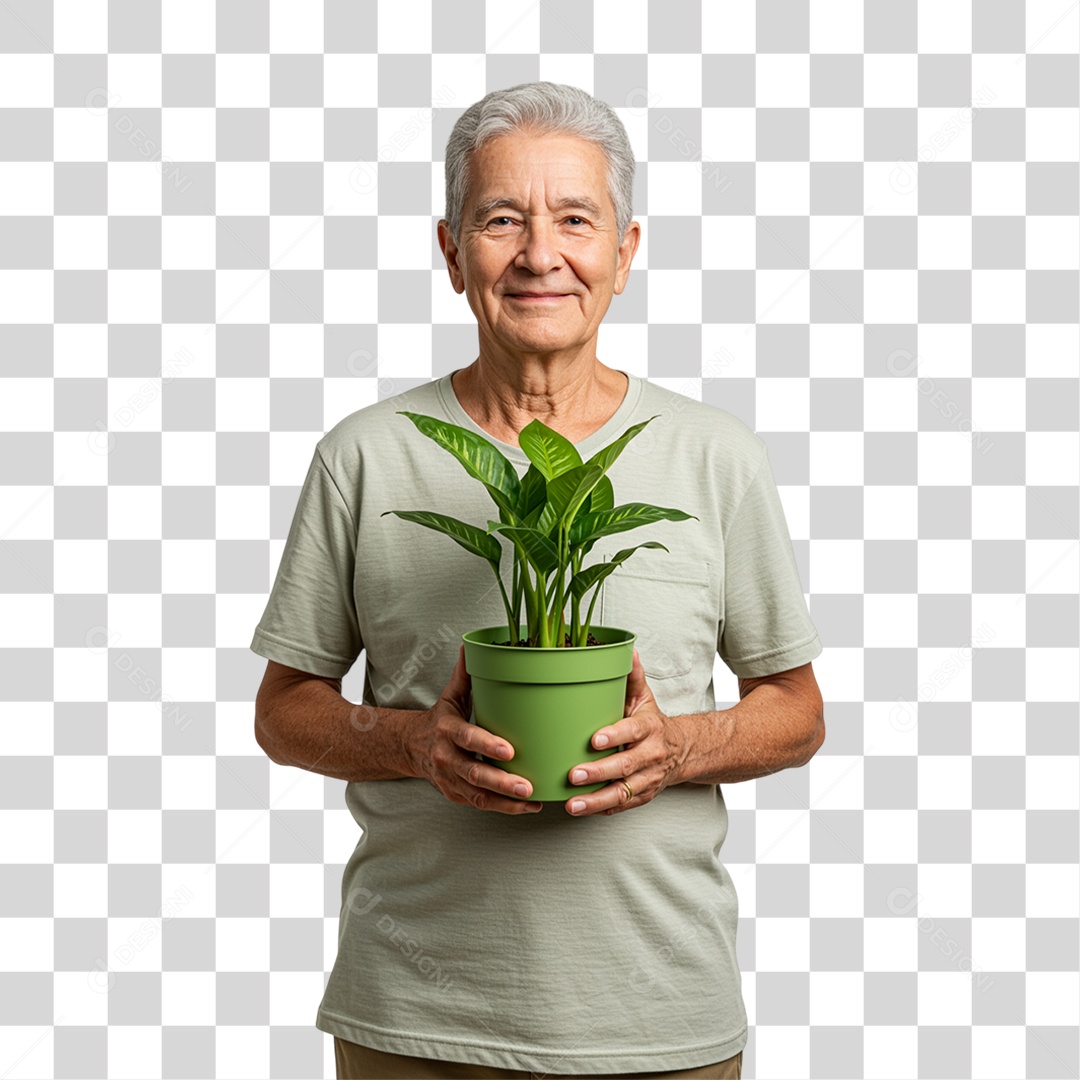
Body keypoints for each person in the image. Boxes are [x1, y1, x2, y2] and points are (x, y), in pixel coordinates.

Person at [251, 81, 825, 1080]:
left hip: (658, 1017)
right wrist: (415, 742)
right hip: (415, 1018)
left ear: (625, 252)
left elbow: (799, 711)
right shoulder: (365, 456)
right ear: (450, 250)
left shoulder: (714, 455)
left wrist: (678, 746)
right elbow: (283, 711)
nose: (539, 255)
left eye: (575, 220)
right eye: (501, 219)